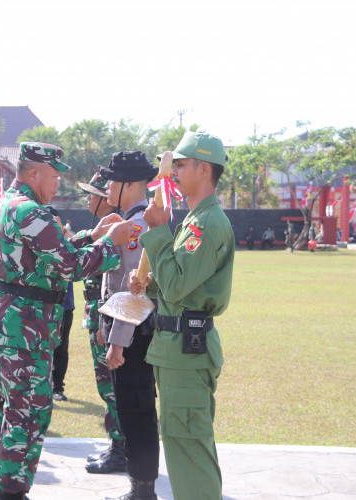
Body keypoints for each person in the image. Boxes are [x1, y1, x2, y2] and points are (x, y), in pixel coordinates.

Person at [0, 141, 134, 500]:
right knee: (28, 414)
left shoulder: (10, 204)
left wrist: (91, 236)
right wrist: (111, 243)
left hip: (9, 325)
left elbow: (47, 255)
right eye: (53, 176)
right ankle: (10, 493)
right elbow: (69, 265)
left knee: (6, 409)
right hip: (24, 330)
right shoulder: (30, 211)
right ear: (33, 173)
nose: (58, 184)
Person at [129, 132, 235, 500]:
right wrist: (150, 286)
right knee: (182, 442)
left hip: (186, 350)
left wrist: (158, 232)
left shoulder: (207, 223)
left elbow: (178, 287)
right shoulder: (196, 219)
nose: (173, 171)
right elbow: (176, 286)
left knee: (189, 446)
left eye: (181, 164)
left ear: (204, 169)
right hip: (176, 348)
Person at [97, 152, 160, 496]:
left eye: (112, 179)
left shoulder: (140, 224)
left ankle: (142, 490)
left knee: (137, 411)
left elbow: (133, 289)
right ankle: (141, 487)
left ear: (132, 184)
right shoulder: (132, 219)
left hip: (135, 334)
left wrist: (117, 338)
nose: (106, 186)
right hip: (129, 329)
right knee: (134, 409)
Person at [75, 170, 127, 475]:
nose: (88, 199)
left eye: (92, 194)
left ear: (106, 199)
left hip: (106, 316)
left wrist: (101, 325)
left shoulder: (118, 230)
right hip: (97, 314)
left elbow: (113, 282)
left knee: (111, 387)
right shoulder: (104, 229)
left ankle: (121, 450)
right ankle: (117, 444)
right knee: (107, 387)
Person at [46, 206, 75, 402]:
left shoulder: (65, 239)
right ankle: (44, 385)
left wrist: (63, 231)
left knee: (61, 347)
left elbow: (77, 249)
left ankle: (57, 386)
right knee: (43, 348)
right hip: (43, 305)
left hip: (64, 305)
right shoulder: (38, 240)